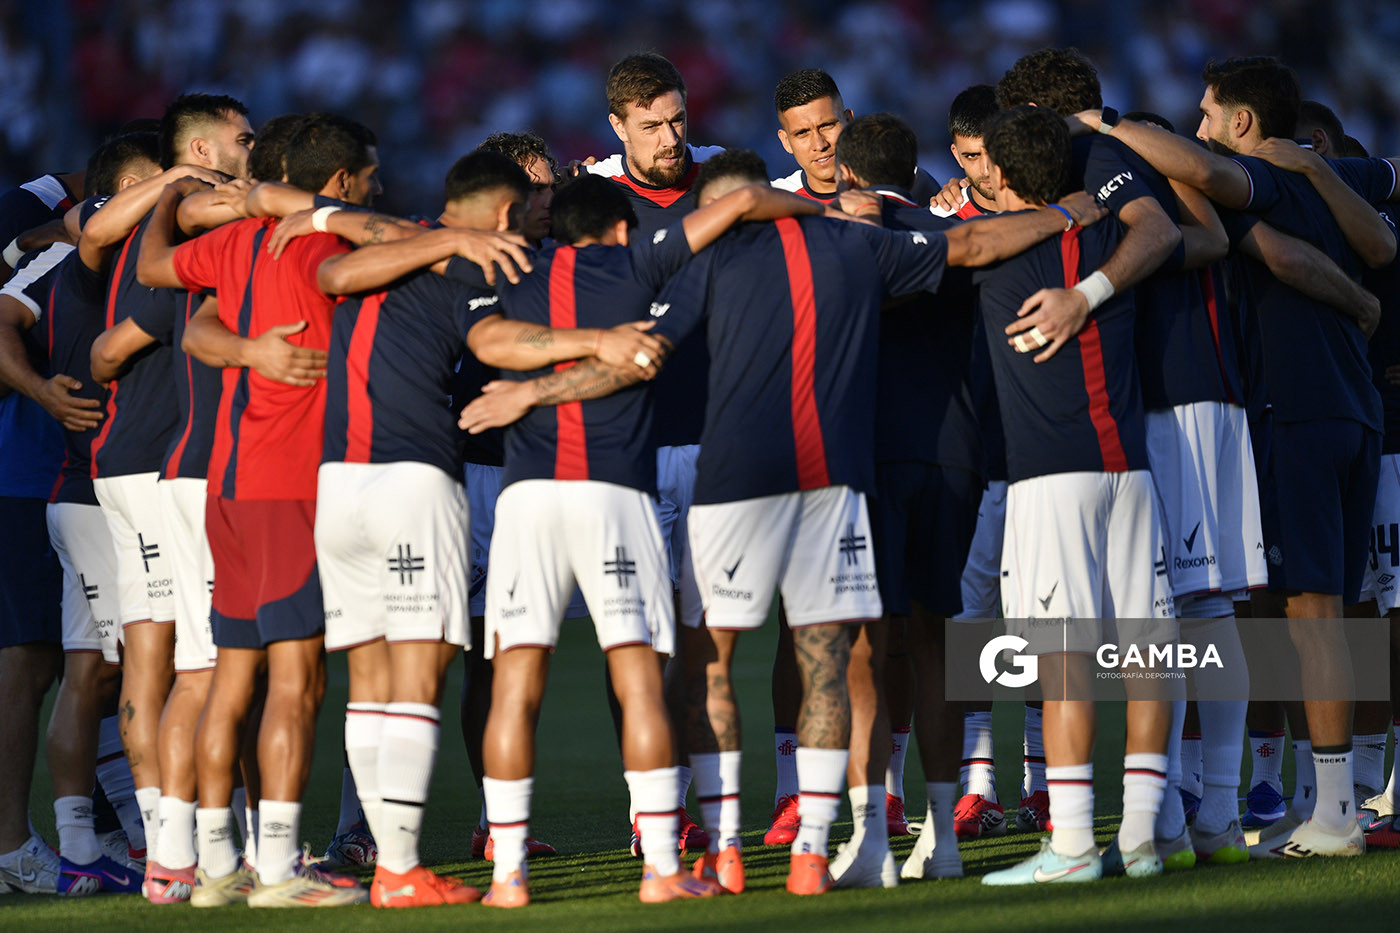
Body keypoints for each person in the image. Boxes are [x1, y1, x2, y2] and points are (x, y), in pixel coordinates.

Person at [457, 170, 845, 906]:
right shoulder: (645, 258)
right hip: (616, 493)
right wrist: (825, 207)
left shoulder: (514, 271)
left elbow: (488, 340)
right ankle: (662, 865)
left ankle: (507, 873)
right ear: (621, 227)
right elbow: (745, 200)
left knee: (514, 682)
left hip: (527, 497)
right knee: (639, 680)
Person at [1068, 56, 1399, 859]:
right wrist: (1358, 295)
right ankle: (1336, 795)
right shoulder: (1327, 175)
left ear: (1244, 124)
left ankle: (1332, 815)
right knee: (1338, 611)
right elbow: (1382, 243)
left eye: (1209, 112)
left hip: (1295, 408)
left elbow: (1271, 248)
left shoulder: (1258, 177)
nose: (1200, 126)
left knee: (1311, 611)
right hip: (1357, 409)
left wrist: (1110, 127)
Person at [966, 105, 1175, 887]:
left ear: (1006, 173)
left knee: (1063, 666)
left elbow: (960, 240)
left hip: (1051, 480)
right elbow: (1166, 234)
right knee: (1151, 656)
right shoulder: (1117, 243)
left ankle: (1077, 844)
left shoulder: (990, 260)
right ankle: (1147, 837)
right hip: (1129, 469)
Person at [84, 94, 253, 882]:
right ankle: (175, 842)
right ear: (200, 151)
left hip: (154, 460)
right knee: (187, 660)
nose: (252, 150)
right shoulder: (179, 225)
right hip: (153, 463)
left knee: (177, 657)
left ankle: (187, 844)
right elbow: (106, 352)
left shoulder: (175, 222)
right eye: (242, 139)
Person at [584, 51, 720, 853]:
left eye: (677, 118)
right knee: (636, 640)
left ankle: (702, 808)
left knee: (705, 641)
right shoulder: (591, 196)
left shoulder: (724, 178)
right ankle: (648, 810)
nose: (671, 137)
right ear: (616, 127)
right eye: (651, 125)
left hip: (710, 441)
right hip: (627, 450)